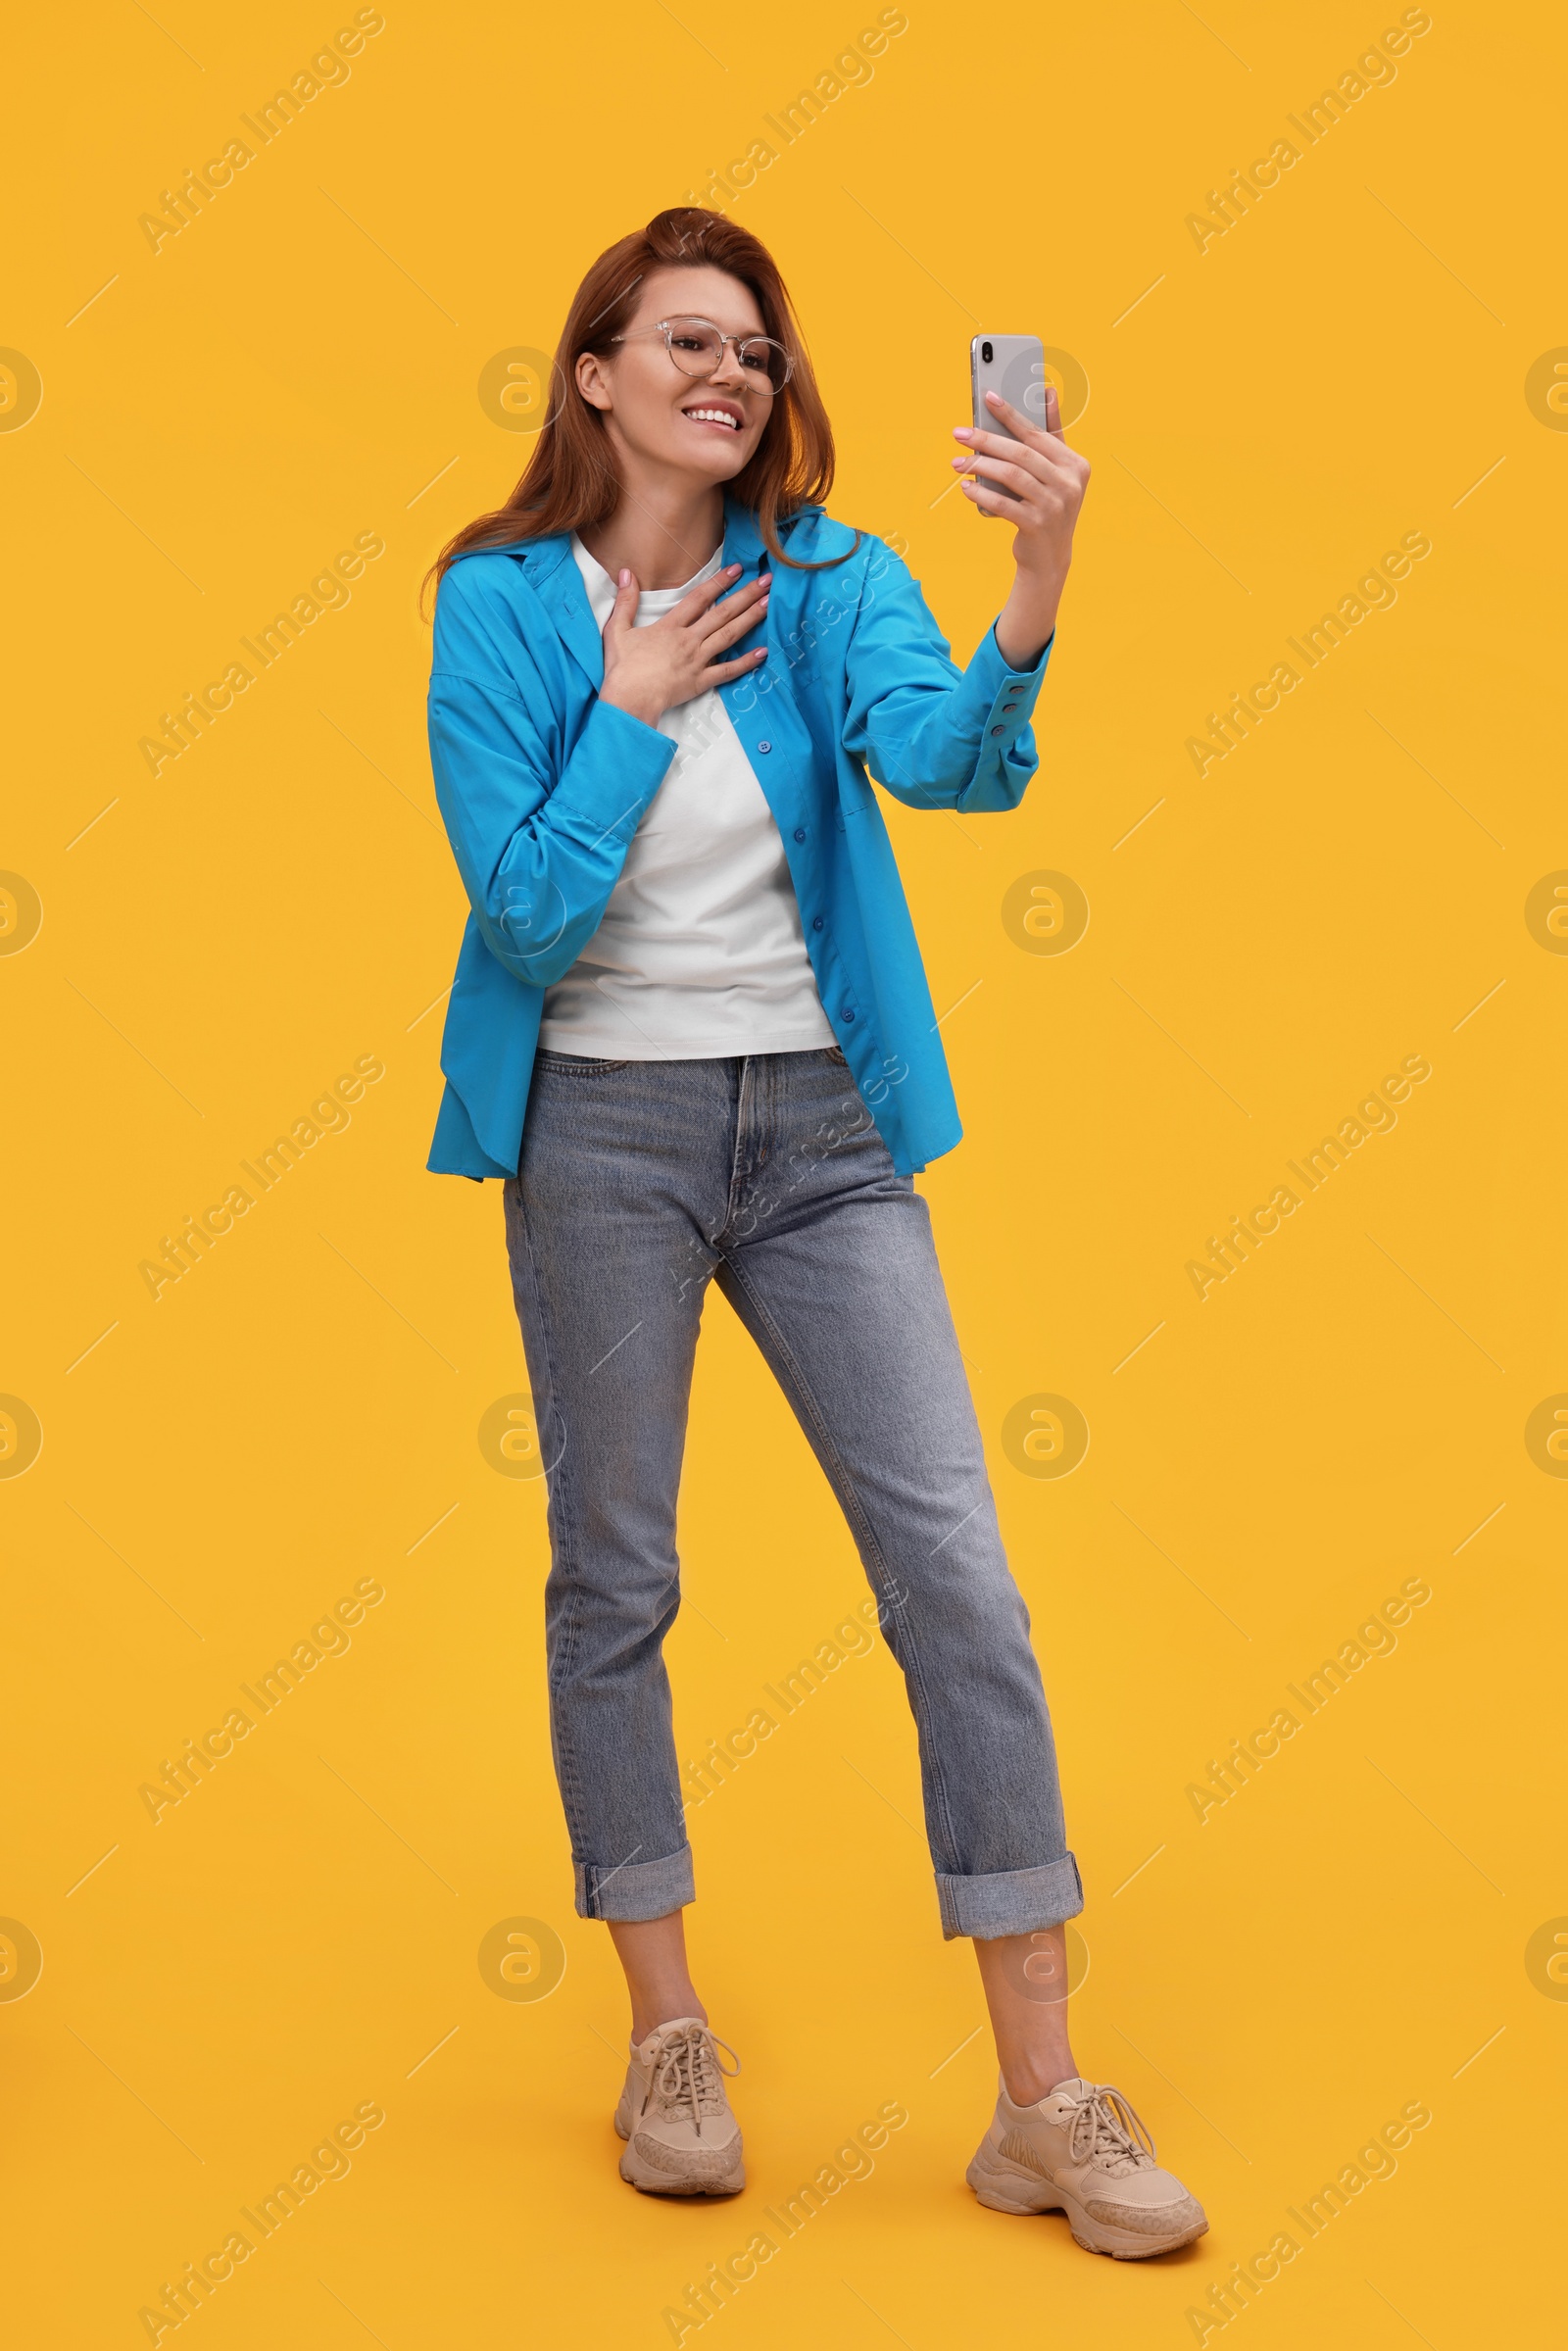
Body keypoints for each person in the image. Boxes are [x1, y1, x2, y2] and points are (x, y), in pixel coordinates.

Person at [423, 206, 1205, 2261]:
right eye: (685, 338)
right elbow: (520, 915)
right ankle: (664, 2032)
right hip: (595, 1133)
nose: (730, 373)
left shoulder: (827, 578)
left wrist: (1033, 576)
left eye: (755, 350)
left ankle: (1041, 2100)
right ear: (590, 371)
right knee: (615, 1575)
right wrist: (628, 700)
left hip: (825, 1131)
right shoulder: (496, 609)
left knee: (956, 1575)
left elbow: (951, 769)